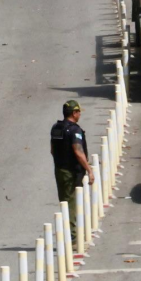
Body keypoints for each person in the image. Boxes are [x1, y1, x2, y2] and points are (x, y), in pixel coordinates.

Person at [50, 100, 94, 241]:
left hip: (59, 170)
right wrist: (89, 169)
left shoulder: (56, 127)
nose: (80, 115)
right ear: (74, 113)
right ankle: (72, 237)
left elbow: (52, 150)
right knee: (71, 203)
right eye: (79, 112)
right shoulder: (75, 130)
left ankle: (69, 233)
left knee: (64, 200)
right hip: (71, 172)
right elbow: (78, 151)